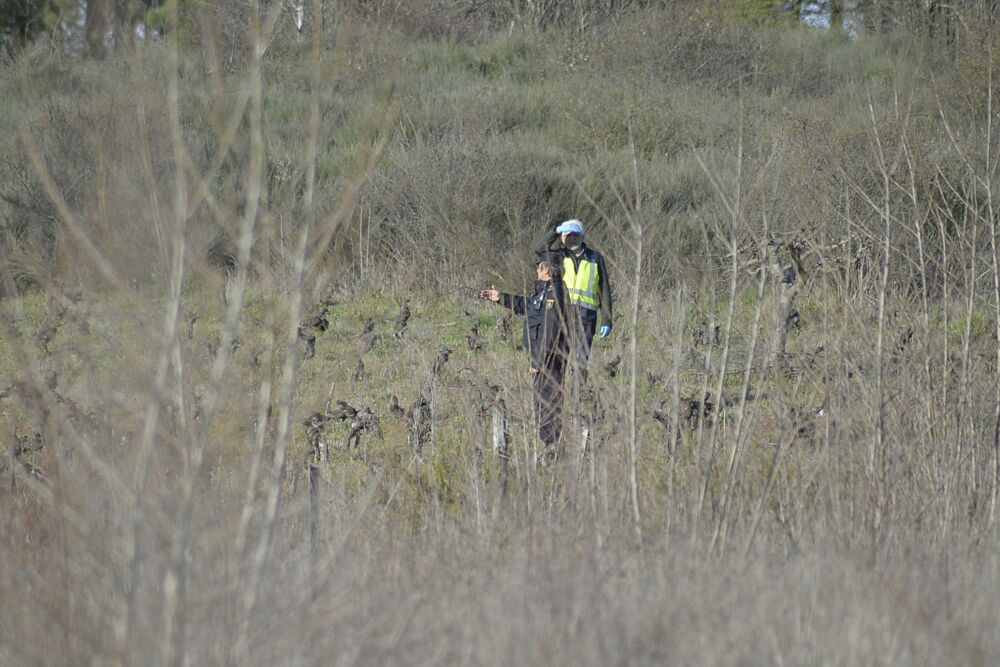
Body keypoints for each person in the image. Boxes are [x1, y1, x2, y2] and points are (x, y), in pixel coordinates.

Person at [480, 256, 569, 451]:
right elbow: (527, 307)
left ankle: (552, 450)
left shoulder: (556, 294)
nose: (536, 271)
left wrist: (538, 361)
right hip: (542, 360)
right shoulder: (544, 292)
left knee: (548, 404)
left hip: (549, 361)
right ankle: (549, 448)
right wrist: (501, 297)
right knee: (540, 404)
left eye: (538, 267)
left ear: (546, 269)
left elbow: (550, 330)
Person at [535, 219, 613, 382]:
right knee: (557, 362)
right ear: (562, 238)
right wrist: (555, 230)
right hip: (561, 316)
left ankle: (579, 400)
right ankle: (556, 400)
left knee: (580, 364)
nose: (571, 238)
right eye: (567, 235)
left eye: (575, 234)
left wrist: (607, 319)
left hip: (586, 319)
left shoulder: (595, 258)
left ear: (582, 235)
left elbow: (604, 289)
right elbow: (539, 249)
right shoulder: (558, 256)